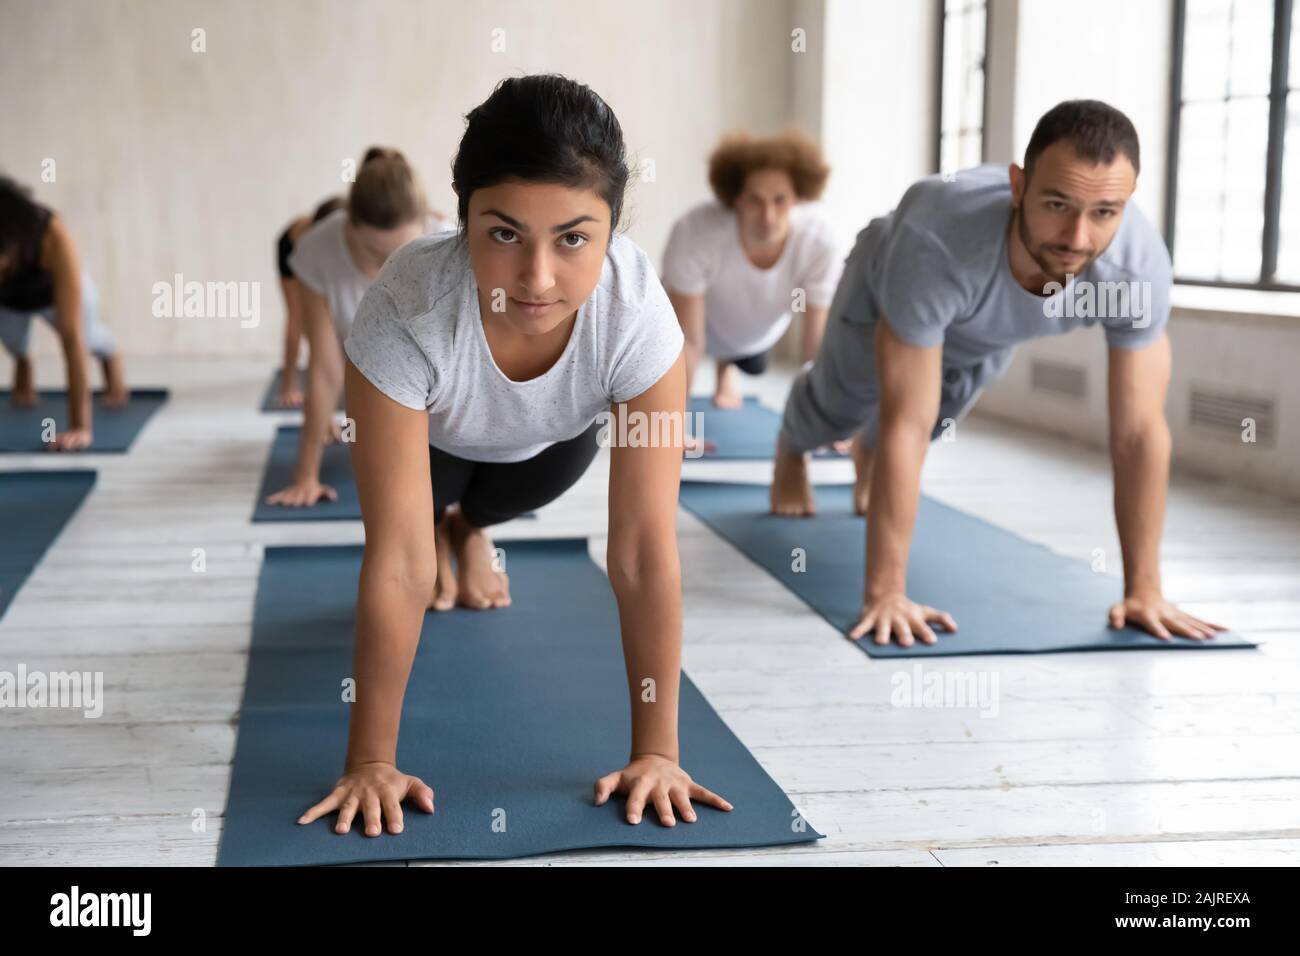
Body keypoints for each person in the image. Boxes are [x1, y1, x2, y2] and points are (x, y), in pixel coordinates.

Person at [297, 73, 732, 837]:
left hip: (544, 450)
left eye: (573, 238)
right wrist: (370, 761)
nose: (537, 278)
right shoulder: (407, 306)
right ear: (460, 218)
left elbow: (641, 550)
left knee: (506, 499)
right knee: (419, 550)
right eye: (503, 233)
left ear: (611, 229)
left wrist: (657, 752)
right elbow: (396, 562)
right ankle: (446, 523)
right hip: (428, 448)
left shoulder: (639, 321)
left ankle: (471, 528)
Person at [772, 99, 1227, 647]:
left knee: (938, 421)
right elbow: (904, 422)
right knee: (843, 404)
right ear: (1018, 186)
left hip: (990, 328)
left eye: (1105, 211)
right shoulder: (937, 239)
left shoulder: (1135, 268)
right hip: (887, 284)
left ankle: (867, 459)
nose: (1077, 237)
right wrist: (886, 592)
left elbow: (1138, 432)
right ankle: (792, 446)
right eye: (1057, 203)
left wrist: (1145, 590)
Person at [263, 147, 441, 508]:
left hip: (429, 386)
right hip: (355, 381)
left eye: (402, 252)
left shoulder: (447, 243)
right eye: (376, 254)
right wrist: (306, 477)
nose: (389, 265)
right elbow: (325, 370)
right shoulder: (317, 249)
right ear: (348, 226)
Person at [662, 130, 841, 410]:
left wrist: (829, 419)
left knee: (753, 364)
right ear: (735, 200)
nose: (768, 216)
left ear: (798, 198)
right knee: (675, 349)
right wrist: (674, 424)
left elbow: (815, 343)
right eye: (755, 200)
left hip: (757, 336)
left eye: (779, 200)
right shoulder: (695, 232)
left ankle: (728, 368)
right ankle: (726, 365)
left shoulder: (819, 240)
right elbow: (688, 341)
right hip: (702, 328)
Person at [0, 175, 128, 451]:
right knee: (13, 342)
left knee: (89, 336)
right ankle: (23, 363)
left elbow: (72, 339)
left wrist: (79, 427)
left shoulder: (52, 235)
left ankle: (111, 358)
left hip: (52, 293)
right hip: (9, 299)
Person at [271, 194, 346, 408]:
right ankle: (289, 382)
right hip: (289, 249)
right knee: (298, 317)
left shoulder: (347, 231)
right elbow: (299, 324)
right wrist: (289, 387)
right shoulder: (308, 247)